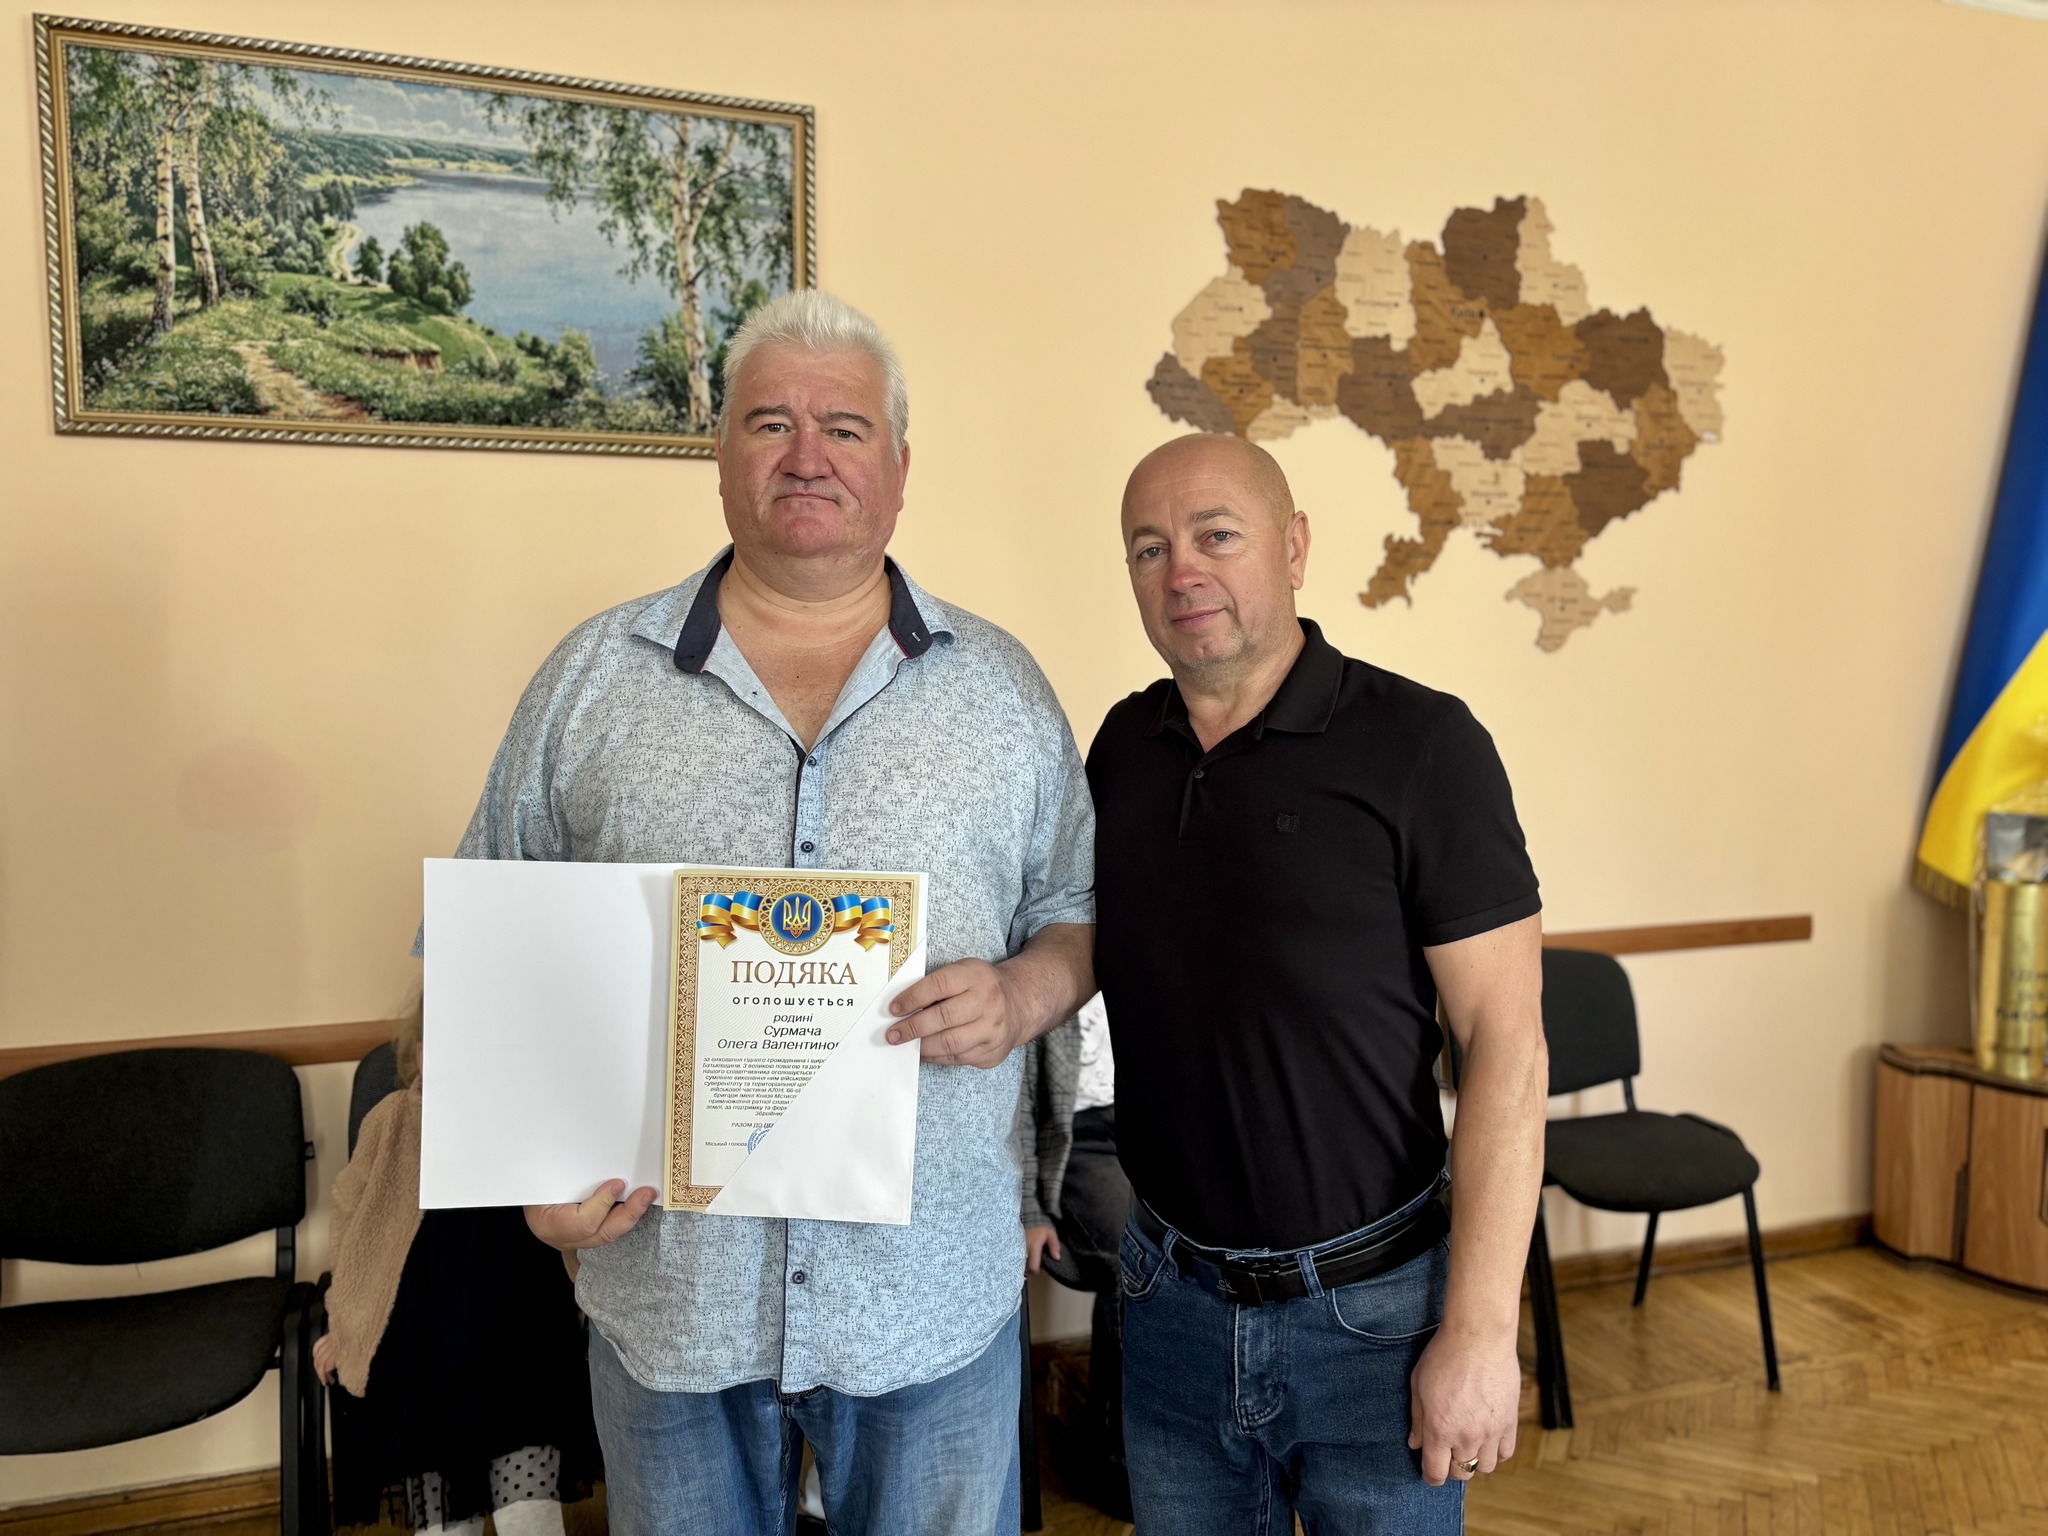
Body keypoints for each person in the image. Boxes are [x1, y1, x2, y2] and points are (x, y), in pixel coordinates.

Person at [438, 289, 1096, 1536]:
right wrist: (533, 1175)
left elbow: (1078, 910)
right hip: (671, 1297)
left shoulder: (1003, 690)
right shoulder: (592, 678)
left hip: (926, 1297)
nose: (807, 456)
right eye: (770, 423)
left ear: (898, 466)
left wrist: (1023, 992)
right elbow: (488, 937)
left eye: (845, 428)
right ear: (720, 454)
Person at [1088, 433, 1547, 1533]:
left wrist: (1480, 1333)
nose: (1181, 571)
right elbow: (1073, 946)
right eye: (1149, 549)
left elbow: (1507, 1047)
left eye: (1215, 535)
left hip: (1374, 1318)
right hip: (1168, 1303)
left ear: (1293, 547)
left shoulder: (1423, 745)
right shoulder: (1121, 749)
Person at [314, 1007, 599, 1536]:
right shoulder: (392, 1121)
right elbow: (354, 1225)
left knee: (529, 1518)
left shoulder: (531, 1114)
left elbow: (577, 1213)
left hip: (520, 1347)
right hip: (423, 1359)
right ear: (419, 1053)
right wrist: (346, 1323)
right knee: (443, 1526)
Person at [1016, 991, 1132, 1518]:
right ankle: (1117, 1462)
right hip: (1075, 1138)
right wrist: (1030, 1208)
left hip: (1143, 1121)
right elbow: (1013, 1095)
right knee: (1134, 1263)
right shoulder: (1047, 953)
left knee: (1189, 1249)